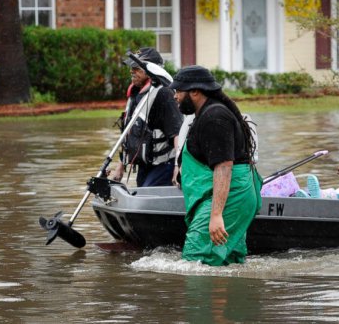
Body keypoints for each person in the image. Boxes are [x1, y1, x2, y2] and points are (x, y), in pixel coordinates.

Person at [169, 65, 262, 266]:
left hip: (231, 196)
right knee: (228, 263)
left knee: (195, 261)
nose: (175, 96)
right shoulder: (206, 114)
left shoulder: (215, 117)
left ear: (195, 91)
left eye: (178, 91)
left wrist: (216, 215)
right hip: (231, 195)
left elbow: (224, 167)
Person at [108, 47, 183, 187]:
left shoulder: (164, 94)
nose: (131, 71)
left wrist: (178, 167)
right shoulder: (135, 94)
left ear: (152, 70)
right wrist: (120, 167)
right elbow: (128, 135)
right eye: (131, 68)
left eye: (136, 68)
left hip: (164, 166)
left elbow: (177, 134)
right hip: (145, 166)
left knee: (147, 199)